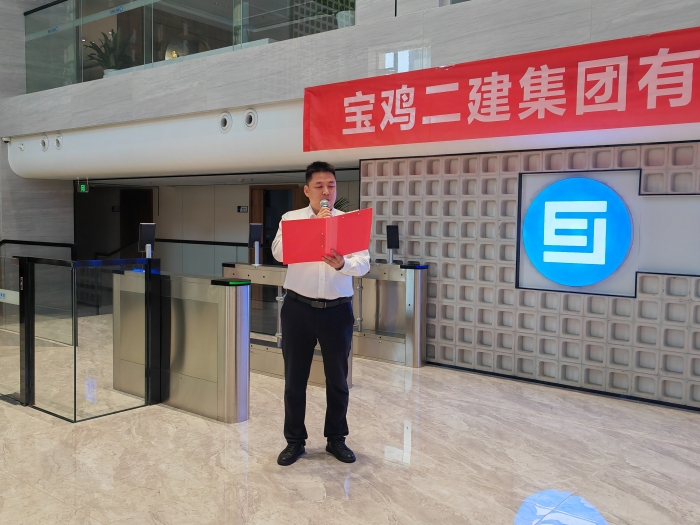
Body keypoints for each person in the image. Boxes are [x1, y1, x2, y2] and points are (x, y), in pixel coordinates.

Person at [271, 161, 370, 466]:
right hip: (298, 309)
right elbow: (279, 252)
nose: (326, 191)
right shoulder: (291, 219)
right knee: (294, 379)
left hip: (337, 311)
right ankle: (294, 441)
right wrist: (315, 230)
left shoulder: (348, 221)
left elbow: (364, 263)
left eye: (331, 186)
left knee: (338, 380)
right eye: (319, 186)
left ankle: (336, 439)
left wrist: (343, 264)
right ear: (307, 190)